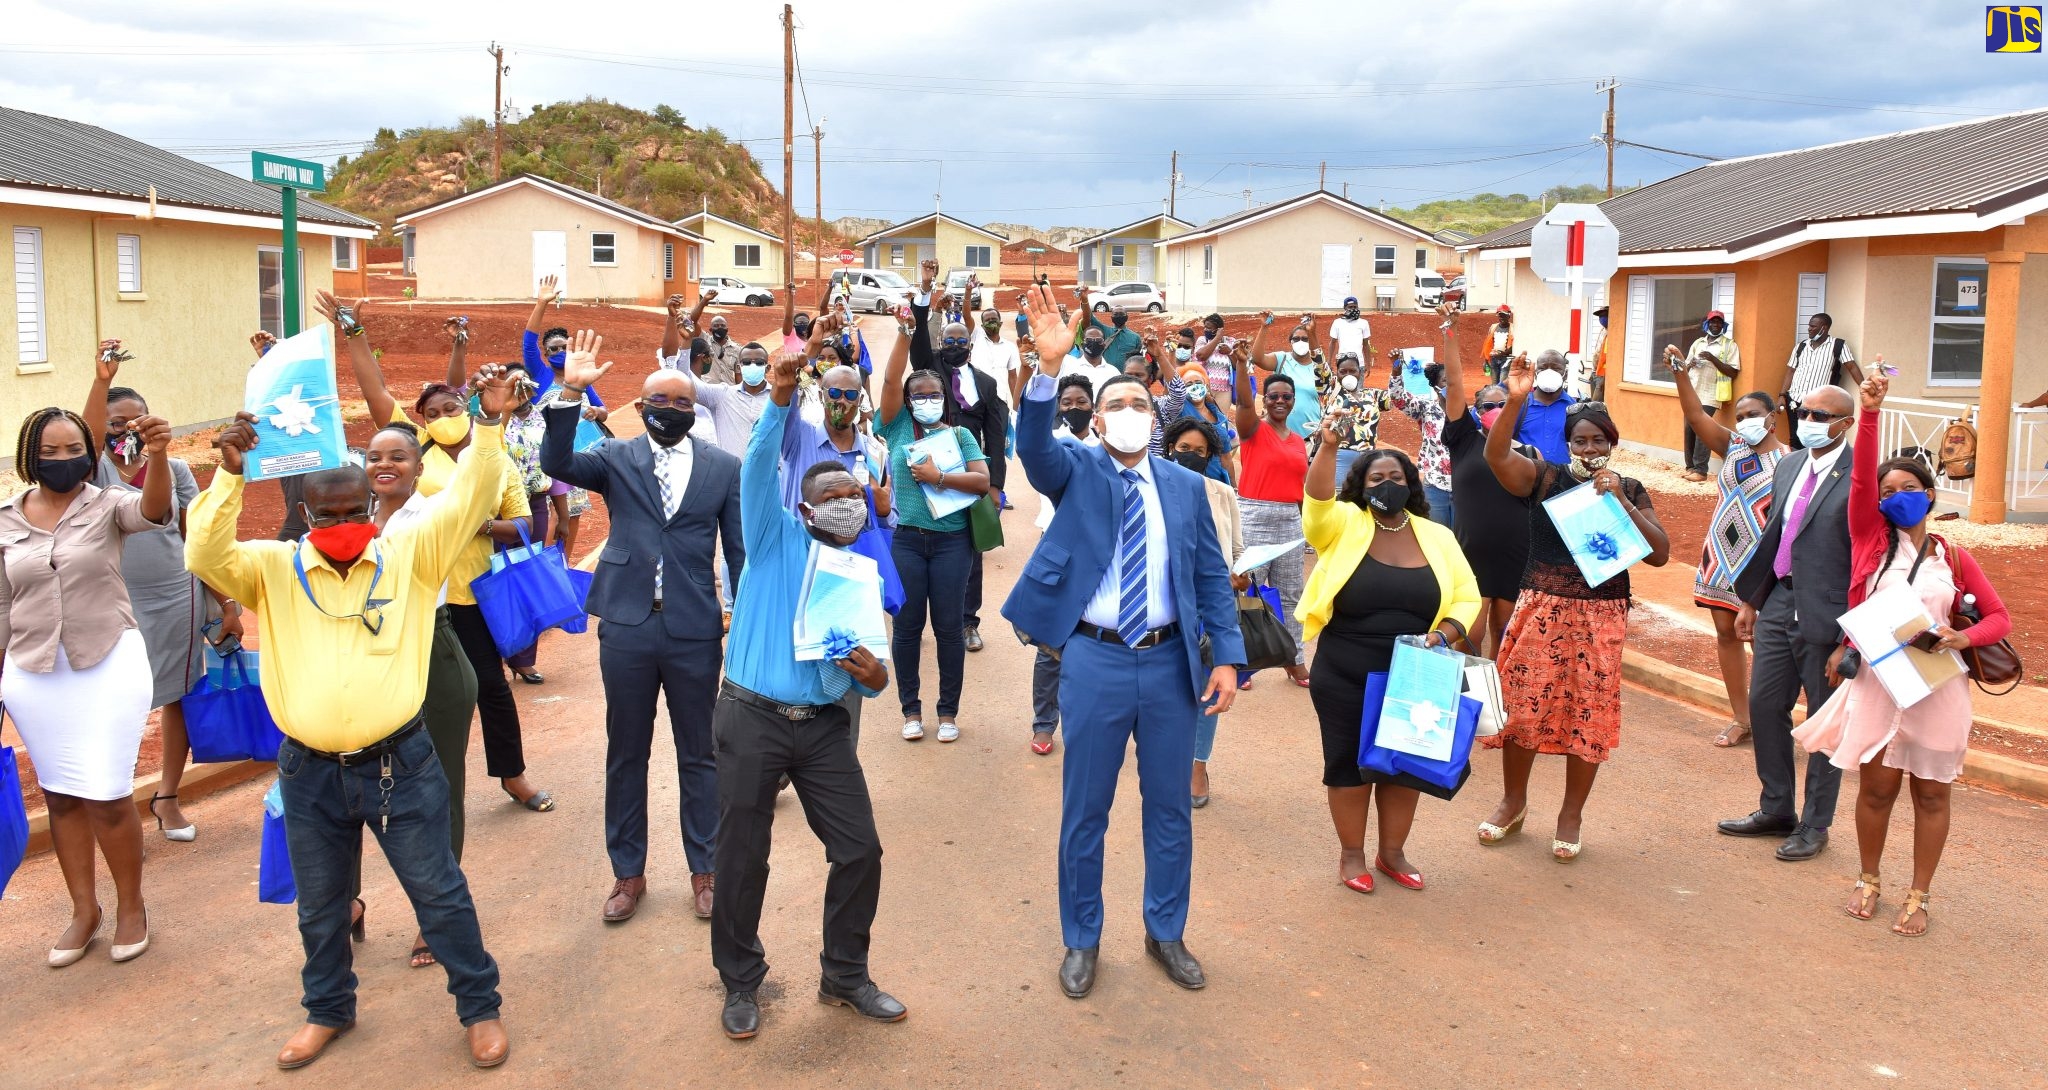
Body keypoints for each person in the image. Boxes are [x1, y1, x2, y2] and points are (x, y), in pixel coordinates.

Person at [187, 373, 519, 1070]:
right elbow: (205, 557)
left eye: (351, 511)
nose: (340, 526)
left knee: (438, 892)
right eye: (325, 515)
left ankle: (479, 1007)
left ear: (372, 504)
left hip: (399, 764)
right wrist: (227, 478)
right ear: (306, 516)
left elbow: (468, 502)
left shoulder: (410, 556)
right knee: (321, 904)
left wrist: (487, 430)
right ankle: (328, 1010)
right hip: (309, 771)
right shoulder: (273, 568)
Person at [1001, 284, 1244, 1000]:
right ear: (1099, 421)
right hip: (1095, 659)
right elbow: (1034, 450)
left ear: (1156, 420)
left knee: (1169, 808)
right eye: (1118, 405)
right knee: (1086, 810)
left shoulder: (1184, 487)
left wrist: (1227, 656)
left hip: (1172, 665)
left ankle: (1165, 930)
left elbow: (1208, 575)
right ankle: (1082, 939)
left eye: (1141, 404)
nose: (1130, 414)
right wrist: (1046, 373)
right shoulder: (1076, 470)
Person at [712, 332, 903, 1041]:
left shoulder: (861, 574)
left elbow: (871, 671)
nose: (847, 503)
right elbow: (761, 465)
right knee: (743, 855)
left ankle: (845, 975)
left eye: (854, 494)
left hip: (822, 724)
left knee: (860, 848)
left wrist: (877, 678)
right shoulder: (771, 538)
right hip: (752, 716)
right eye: (831, 495)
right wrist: (783, 398)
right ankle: (740, 980)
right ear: (804, 507)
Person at [1792, 373, 2009, 937]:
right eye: (1887, 492)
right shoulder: (1870, 539)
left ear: (1930, 494)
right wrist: (1869, 414)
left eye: (1907, 488)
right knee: (1877, 788)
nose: (1894, 497)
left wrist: (1962, 638)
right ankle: (1869, 880)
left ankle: (1920, 895)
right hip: (1880, 684)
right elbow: (1862, 478)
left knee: (1932, 793)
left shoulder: (1955, 557)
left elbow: (1999, 619)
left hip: (1938, 686)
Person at [541, 333, 743, 924]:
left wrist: (747, 617)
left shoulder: (722, 468)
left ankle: (705, 871)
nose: (671, 410)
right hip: (628, 626)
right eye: (660, 399)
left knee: (699, 754)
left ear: (696, 410)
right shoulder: (615, 459)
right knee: (625, 753)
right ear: (641, 404)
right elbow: (556, 463)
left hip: (693, 630)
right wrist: (568, 392)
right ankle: (627, 875)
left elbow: (737, 552)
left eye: (683, 402)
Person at [324, 292, 552, 814]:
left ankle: (512, 775)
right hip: (405, 593)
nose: (442, 415)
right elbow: (374, 390)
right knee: (401, 693)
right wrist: (354, 333)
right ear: (420, 421)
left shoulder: (491, 457)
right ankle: (405, 786)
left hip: (470, 595)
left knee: (489, 688)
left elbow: (522, 523)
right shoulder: (413, 453)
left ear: (466, 409)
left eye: (451, 407)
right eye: (431, 412)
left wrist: (476, 524)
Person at [1479, 360, 1671, 861]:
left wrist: (1620, 504)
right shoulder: (1544, 479)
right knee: (1523, 707)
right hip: (1541, 607)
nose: (1590, 449)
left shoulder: (1628, 489)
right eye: (1581, 441)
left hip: (1601, 616)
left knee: (1588, 714)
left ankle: (1571, 814)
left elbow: (1660, 553)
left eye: (1599, 441)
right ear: (1568, 443)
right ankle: (1513, 802)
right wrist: (1515, 401)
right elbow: (1496, 455)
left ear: (1612, 444)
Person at [4, 403, 172, 967]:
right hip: (33, 672)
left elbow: (154, 511)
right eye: (49, 452)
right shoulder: (5, 519)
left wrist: (160, 455)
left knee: (105, 790)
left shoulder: (107, 504)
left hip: (107, 663)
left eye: (74, 449)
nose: (63, 460)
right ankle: (84, 910)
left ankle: (131, 908)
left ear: (90, 453)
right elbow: (3, 607)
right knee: (61, 795)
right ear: (30, 455)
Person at [1301, 433, 1478, 892]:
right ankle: (1352, 855)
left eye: (1395, 477)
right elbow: (1318, 501)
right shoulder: (1341, 524)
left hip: (1416, 671)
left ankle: (1392, 853)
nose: (1386, 484)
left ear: (1410, 483)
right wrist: (1327, 447)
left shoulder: (1436, 534)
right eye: (1376, 477)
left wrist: (1444, 634)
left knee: (1404, 765)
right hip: (1345, 668)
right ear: (1360, 486)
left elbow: (1466, 593)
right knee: (1347, 765)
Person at [80, 341, 239, 841]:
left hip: (177, 596)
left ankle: (167, 797)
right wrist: (101, 382)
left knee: (178, 695)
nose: (128, 427)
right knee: (115, 703)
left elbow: (197, 536)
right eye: (117, 421)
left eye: (138, 418)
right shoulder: (91, 471)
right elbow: (83, 441)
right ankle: (118, 809)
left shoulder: (173, 468)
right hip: (112, 604)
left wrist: (227, 601)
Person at [358, 420, 480, 969]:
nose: (385, 465)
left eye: (399, 457)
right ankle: (345, 901)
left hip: (430, 654)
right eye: (374, 455)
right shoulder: (345, 514)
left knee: (438, 786)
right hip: (362, 660)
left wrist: (492, 428)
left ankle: (437, 913)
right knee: (350, 786)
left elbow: (474, 489)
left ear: (419, 467)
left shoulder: (432, 514)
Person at [1719, 384, 1859, 862]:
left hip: (1830, 615)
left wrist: (1850, 637)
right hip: (1779, 600)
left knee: (1822, 722)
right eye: (1805, 411)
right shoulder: (1791, 465)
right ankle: (1777, 808)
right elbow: (1775, 533)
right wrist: (1752, 602)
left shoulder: (1860, 477)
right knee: (1763, 705)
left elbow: (1865, 560)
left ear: (1845, 423)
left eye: (1823, 415)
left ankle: (1815, 823)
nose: (1810, 420)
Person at [881, 282, 993, 742]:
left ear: (944, 400)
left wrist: (940, 478)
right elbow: (889, 382)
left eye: (933, 394)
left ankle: (948, 712)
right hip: (907, 539)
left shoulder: (961, 437)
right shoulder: (895, 428)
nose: (926, 399)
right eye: (918, 394)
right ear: (909, 402)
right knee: (907, 628)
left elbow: (982, 481)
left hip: (951, 544)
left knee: (948, 628)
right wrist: (905, 332)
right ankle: (911, 710)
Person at [1673, 365, 1787, 749]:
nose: (1745, 422)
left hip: (1762, 560)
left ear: (1772, 419)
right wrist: (1680, 373)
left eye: (1752, 415)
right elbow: (1694, 414)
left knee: (1765, 642)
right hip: (1721, 556)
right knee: (1726, 635)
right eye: (1739, 417)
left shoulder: (1791, 461)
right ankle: (1741, 717)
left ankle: (1772, 719)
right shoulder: (1732, 446)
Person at [914, 259, 1007, 655]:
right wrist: (925, 290)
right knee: (921, 544)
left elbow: (996, 435)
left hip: (969, 474)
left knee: (970, 550)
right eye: (947, 341)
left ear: (970, 344)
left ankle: (968, 622)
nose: (953, 346)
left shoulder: (985, 384)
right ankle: (917, 619)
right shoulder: (930, 369)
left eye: (959, 341)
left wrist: (997, 486)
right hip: (926, 469)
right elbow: (918, 337)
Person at [1163, 418, 1247, 808]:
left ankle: (1197, 764)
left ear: (1211, 456)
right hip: (1164, 605)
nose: (1191, 457)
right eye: (1184, 449)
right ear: (1169, 448)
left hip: (1210, 606)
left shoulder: (1221, 492)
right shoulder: (1150, 488)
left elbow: (1238, 549)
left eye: (1200, 452)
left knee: (1207, 688)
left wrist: (1239, 574)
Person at [1438, 315, 1528, 658]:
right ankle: (1464, 702)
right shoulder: (1463, 440)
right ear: (1476, 412)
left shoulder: (1529, 453)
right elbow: (1456, 384)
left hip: (1514, 555)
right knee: (1468, 638)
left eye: (1502, 404)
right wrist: (1450, 335)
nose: (1495, 410)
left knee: (1505, 639)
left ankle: (1496, 702)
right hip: (1471, 554)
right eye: (1487, 406)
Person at [1233, 313, 1312, 688]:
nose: (1280, 400)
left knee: (1292, 594)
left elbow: (1302, 485)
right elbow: (1245, 407)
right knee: (1250, 590)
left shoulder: (1298, 441)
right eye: (1274, 396)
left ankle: (1293, 659)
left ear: (1294, 401)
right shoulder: (1253, 430)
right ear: (1267, 399)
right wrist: (1240, 366)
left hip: (1290, 520)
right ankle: (1244, 661)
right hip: (1254, 515)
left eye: (1286, 396)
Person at [1028, 374, 1101, 756]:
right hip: (1057, 547)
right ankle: (1044, 723)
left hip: (1100, 551)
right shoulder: (1052, 445)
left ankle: (1090, 722)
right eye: (1066, 402)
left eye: (1080, 402)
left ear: (1094, 406)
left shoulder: (1109, 448)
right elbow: (1033, 448)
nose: (1073, 408)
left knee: (1097, 636)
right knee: (1050, 642)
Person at [496, 352, 565, 685]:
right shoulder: (490, 422)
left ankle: (523, 659)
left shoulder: (544, 420)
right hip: (493, 513)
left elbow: (556, 469)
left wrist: (562, 514)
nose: (520, 390)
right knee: (493, 581)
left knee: (527, 580)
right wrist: (504, 409)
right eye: (513, 385)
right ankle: (494, 655)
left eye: (525, 384)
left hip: (533, 507)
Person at [1388, 351, 1456, 532]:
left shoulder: (1471, 411)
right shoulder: (1426, 409)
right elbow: (1398, 399)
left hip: (1463, 488)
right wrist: (1396, 369)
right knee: (1436, 537)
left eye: (1454, 380)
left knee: (1462, 542)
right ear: (1435, 386)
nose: (1451, 384)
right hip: (1435, 486)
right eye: (1445, 381)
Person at [1780, 313, 1862, 447]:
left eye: (1813, 326)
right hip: (1795, 400)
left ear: (1824, 328)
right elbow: (1790, 371)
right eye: (1809, 326)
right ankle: (1797, 464)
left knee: (1815, 438)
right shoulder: (1801, 347)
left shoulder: (1838, 345)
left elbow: (1852, 367)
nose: (1809, 329)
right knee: (1795, 438)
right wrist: (1782, 395)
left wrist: (1863, 386)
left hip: (1818, 406)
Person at [1679, 310, 1741, 481]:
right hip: (1693, 391)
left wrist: (1712, 358)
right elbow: (1684, 366)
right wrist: (1690, 363)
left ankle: (1701, 471)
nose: (1716, 325)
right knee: (1688, 429)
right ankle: (1690, 467)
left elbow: (1733, 372)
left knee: (1702, 431)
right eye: (1713, 322)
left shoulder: (1729, 345)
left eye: (1719, 323)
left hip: (1711, 393)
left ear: (1723, 325)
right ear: (1707, 324)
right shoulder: (1698, 343)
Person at [1315, 350, 1391, 483]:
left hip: (1368, 459)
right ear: (1336, 373)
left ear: (1360, 373)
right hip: (1339, 455)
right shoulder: (1330, 391)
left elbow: (1394, 400)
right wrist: (1312, 336)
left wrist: (1396, 372)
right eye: (1343, 371)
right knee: (1339, 498)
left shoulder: (1373, 395)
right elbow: (1320, 366)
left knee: (1363, 501)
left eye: (1352, 371)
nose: (1348, 375)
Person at [1173, 362, 1237, 485]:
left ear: (1206, 385)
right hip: (1188, 480)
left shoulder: (1219, 416)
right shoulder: (1179, 410)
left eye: (1198, 382)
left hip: (1216, 481)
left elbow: (1226, 457)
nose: (1195, 387)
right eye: (1189, 384)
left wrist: (1233, 486)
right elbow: (1169, 383)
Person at [1267, 314, 1326, 439]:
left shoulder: (1318, 367)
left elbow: (1318, 359)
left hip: (1311, 433)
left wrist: (1312, 333)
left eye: (1305, 339)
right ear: (1290, 341)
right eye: (1296, 339)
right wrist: (1263, 327)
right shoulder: (1282, 359)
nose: (1301, 342)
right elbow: (1257, 358)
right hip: (1281, 432)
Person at [1514, 350, 1576, 465]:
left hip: (1564, 478)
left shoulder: (1575, 408)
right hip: (1525, 477)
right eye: (1543, 368)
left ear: (1565, 374)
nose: (1549, 372)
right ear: (1535, 373)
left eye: (1556, 368)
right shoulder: (1519, 405)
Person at [1058, 324, 1123, 395]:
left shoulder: (1113, 372)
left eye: (1098, 340)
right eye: (1089, 340)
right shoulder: (1068, 366)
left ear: (1104, 344)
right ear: (1082, 344)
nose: (1093, 343)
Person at [1083, 300, 1143, 369]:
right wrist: (1084, 299)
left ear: (1126, 316)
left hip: (1126, 376)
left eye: (1121, 314)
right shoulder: (1104, 331)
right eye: (1115, 314)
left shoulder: (1135, 337)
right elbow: (1089, 315)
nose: (1118, 316)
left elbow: (1138, 358)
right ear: (1111, 317)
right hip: (1107, 373)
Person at [1327, 295, 1373, 371]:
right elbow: (1332, 343)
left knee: (1359, 383)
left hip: (1359, 364)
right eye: (1350, 307)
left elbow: (1366, 344)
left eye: (1355, 307)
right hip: (1342, 363)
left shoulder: (1364, 323)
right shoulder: (1337, 323)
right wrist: (1329, 361)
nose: (1353, 309)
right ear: (1345, 308)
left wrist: (1368, 364)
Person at [1482, 306, 1514, 382]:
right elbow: (1488, 344)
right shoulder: (1493, 327)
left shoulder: (1513, 328)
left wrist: (1504, 353)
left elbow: (1515, 345)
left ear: (1508, 316)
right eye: (1500, 316)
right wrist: (1486, 360)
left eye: (1504, 315)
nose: (1502, 318)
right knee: (1494, 383)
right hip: (1494, 359)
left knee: (1502, 383)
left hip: (1506, 359)